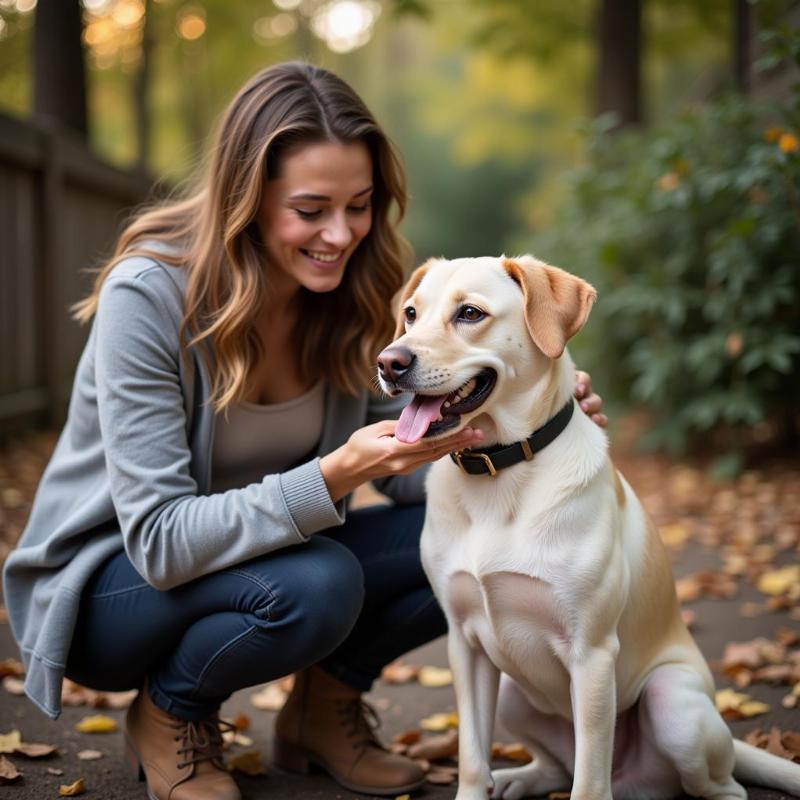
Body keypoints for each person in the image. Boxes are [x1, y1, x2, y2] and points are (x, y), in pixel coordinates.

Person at [2, 62, 606, 800]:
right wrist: (332, 477)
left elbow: (409, 460)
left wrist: (524, 435)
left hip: (255, 555)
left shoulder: (350, 292)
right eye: (312, 209)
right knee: (317, 584)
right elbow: (159, 541)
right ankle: (172, 711)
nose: (342, 233)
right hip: (110, 589)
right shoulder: (150, 295)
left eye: (359, 205)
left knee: (458, 531)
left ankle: (324, 710)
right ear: (247, 197)